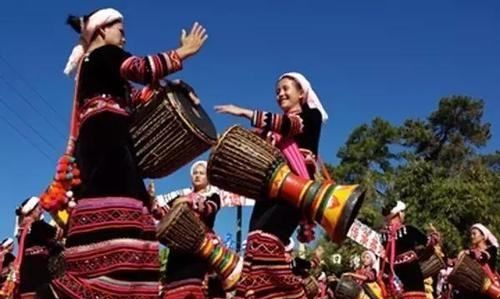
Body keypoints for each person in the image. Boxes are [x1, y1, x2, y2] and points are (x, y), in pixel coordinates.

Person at [41, 7, 207, 299]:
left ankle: (93, 283)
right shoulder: (104, 54)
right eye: (121, 29)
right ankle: (89, 289)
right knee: (124, 211)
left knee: (118, 210)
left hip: (100, 142)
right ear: (103, 29)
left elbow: (135, 93)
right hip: (108, 143)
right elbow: (140, 69)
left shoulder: (93, 65)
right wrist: (184, 52)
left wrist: (173, 87)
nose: (124, 36)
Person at [215, 72, 328, 299]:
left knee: (268, 241)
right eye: (277, 91)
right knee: (256, 241)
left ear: (301, 92)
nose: (280, 94)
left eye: (286, 88)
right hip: (269, 189)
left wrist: (244, 112)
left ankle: (289, 294)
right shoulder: (273, 133)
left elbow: (289, 125)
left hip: (295, 187)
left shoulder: (310, 116)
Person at [158, 160, 222, 298]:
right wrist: (152, 202)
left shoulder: (213, 197)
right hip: (177, 251)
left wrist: (190, 202)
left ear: (208, 177)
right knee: (174, 287)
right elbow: (161, 213)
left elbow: (209, 209)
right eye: (195, 173)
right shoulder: (181, 197)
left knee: (196, 285)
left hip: (200, 249)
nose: (197, 176)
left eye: (201, 173)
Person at [380, 200, 440, 299]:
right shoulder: (408, 230)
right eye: (403, 212)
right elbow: (427, 242)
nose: (404, 214)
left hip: (394, 271)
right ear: (398, 214)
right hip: (411, 270)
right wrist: (434, 237)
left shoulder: (383, 235)